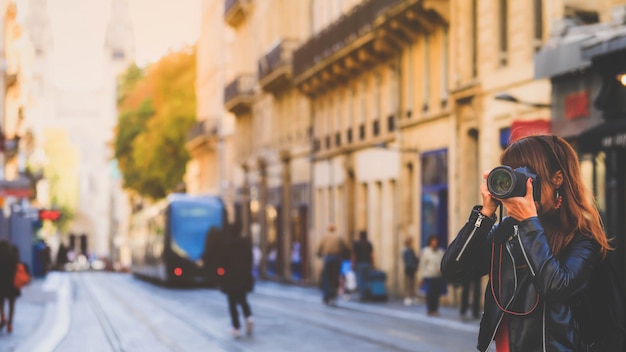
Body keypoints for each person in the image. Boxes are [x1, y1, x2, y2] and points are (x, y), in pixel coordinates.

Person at [441, 134, 611, 352]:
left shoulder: (582, 239)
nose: (519, 185)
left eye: (529, 177)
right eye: (513, 175)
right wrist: (485, 215)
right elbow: (453, 270)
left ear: (557, 179)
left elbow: (556, 287)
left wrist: (530, 222)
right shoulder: (507, 233)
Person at [218, 221, 254, 338]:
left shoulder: (227, 245)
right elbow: (250, 260)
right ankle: (249, 317)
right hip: (244, 277)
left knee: (232, 303)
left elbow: (223, 264)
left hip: (231, 279)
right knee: (243, 299)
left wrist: (221, 276)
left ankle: (236, 327)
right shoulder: (246, 243)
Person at [317, 224, 349, 306]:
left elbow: (320, 248)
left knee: (327, 278)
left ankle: (326, 295)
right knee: (335, 278)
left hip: (328, 258)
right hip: (336, 258)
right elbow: (344, 247)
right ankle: (334, 294)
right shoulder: (338, 237)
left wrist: (319, 254)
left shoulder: (325, 237)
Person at [0, 241, 23, 334]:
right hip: (12, 284)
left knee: (1, 302)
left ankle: (2, 317)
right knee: (11, 304)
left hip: (1, 284)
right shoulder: (13, 257)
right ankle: (10, 323)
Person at [419, 234, 445, 316]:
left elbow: (442, 262)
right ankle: (430, 309)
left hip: (437, 275)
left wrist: (441, 269)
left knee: (436, 293)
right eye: (433, 241)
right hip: (429, 275)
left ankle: (435, 309)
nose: (435, 243)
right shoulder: (426, 251)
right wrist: (421, 276)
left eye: (436, 241)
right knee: (430, 293)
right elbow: (423, 264)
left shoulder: (440, 252)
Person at [352, 230, 374, 301]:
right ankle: (367, 294)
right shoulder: (368, 244)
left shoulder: (357, 244)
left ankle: (362, 295)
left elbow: (354, 255)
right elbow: (371, 255)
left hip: (360, 263)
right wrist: (373, 263)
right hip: (367, 263)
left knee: (360, 279)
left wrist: (353, 263)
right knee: (367, 279)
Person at [402, 236, 419, 306]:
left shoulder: (411, 250)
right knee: (408, 283)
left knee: (412, 283)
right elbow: (406, 260)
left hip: (412, 268)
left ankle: (412, 296)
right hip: (408, 269)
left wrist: (416, 264)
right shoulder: (405, 250)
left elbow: (415, 259)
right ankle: (407, 297)